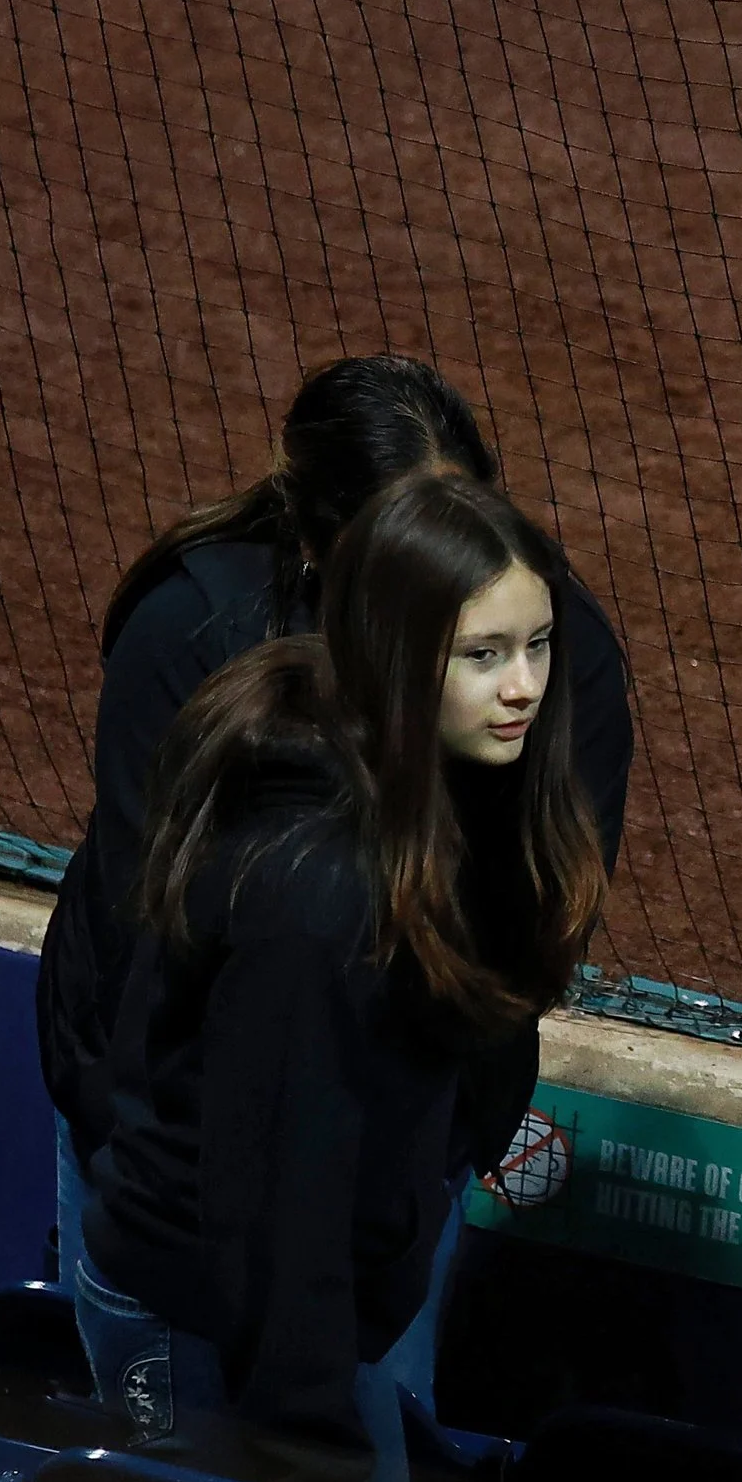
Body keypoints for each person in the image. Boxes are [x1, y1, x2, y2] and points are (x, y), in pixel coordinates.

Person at [37, 354, 632, 1397]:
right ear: (320, 554)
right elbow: (140, 952)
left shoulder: (546, 653)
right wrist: (150, 1188)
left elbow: (528, 933)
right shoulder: (203, 638)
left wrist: (420, 1163)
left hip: (378, 1190)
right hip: (171, 1176)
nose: (519, 679)